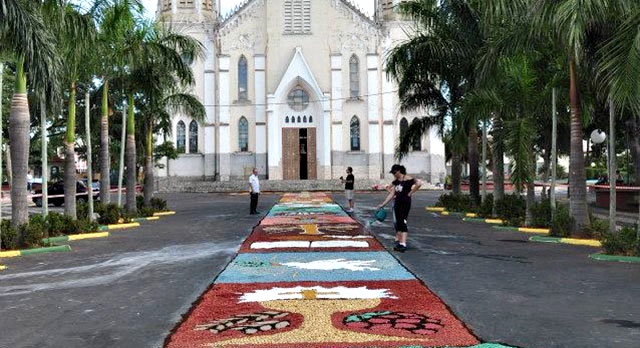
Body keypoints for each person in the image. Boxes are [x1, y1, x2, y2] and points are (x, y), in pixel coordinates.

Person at [376, 164, 422, 252]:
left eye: (394, 172)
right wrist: (383, 204)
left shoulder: (408, 179)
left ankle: (403, 244)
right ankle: (400, 243)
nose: (393, 174)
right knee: (398, 223)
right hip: (397, 203)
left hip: (405, 203)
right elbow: (391, 194)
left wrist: (411, 192)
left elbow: (419, 183)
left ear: (398, 171)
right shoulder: (396, 181)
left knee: (402, 222)